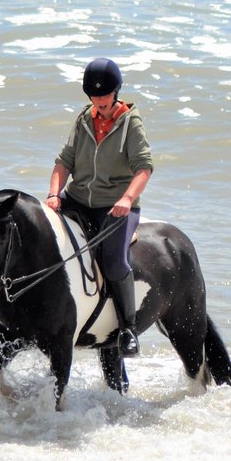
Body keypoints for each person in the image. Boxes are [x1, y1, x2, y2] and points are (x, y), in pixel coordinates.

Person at [45, 58, 153, 356]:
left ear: (116, 92)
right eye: (94, 96)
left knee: (114, 260)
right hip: (77, 199)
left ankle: (128, 330)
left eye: (104, 96)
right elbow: (64, 161)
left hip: (116, 208)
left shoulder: (132, 123)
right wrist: (54, 194)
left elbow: (144, 167)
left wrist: (127, 199)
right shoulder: (83, 119)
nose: (99, 101)